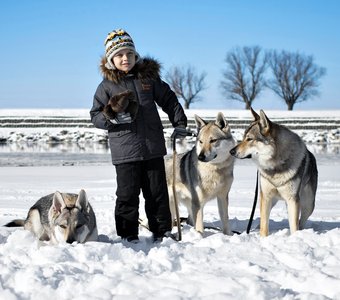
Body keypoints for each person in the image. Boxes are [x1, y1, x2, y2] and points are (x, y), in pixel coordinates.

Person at [90, 29, 187, 243]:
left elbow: (169, 100)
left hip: (152, 147)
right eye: (119, 55)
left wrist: (179, 122)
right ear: (110, 59)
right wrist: (111, 119)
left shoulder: (148, 78)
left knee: (157, 193)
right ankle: (128, 235)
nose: (125, 59)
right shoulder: (105, 86)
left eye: (129, 54)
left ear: (136, 55)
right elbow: (95, 114)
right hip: (125, 151)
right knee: (127, 195)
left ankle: (162, 232)